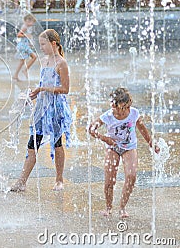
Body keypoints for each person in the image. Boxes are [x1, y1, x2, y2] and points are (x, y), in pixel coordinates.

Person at [11, 29, 72, 192]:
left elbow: (65, 89)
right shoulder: (44, 61)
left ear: (54, 44)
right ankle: (21, 181)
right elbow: (41, 84)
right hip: (42, 108)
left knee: (57, 143)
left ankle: (59, 179)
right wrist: (31, 96)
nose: (41, 48)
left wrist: (42, 89)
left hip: (56, 108)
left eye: (43, 44)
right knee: (32, 144)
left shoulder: (61, 63)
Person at [88, 87, 160, 218]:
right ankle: (108, 208)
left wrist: (152, 143)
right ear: (114, 105)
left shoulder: (134, 113)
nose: (124, 111)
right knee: (109, 181)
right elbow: (91, 129)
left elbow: (143, 129)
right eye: (120, 108)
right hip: (113, 148)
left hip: (129, 147)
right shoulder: (108, 116)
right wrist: (105, 138)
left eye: (126, 107)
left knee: (131, 176)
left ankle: (122, 207)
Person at [13, 14, 37, 81]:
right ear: (27, 21)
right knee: (34, 57)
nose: (32, 24)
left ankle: (15, 75)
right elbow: (18, 35)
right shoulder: (24, 27)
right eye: (32, 22)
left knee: (22, 61)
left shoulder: (26, 27)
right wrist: (26, 35)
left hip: (24, 46)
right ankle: (25, 70)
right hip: (23, 46)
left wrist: (30, 43)